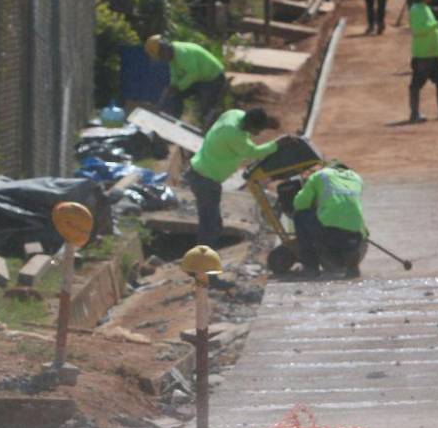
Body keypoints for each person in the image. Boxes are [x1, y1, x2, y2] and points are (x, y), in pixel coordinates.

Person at [187, 107, 278, 261]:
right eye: (256, 130)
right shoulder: (235, 135)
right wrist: (277, 144)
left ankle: (204, 262)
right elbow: (253, 152)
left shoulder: (234, 114)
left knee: (214, 225)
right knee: (209, 228)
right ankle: (203, 268)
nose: (256, 134)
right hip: (206, 180)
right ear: (249, 125)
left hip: (200, 173)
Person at [290, 161, 368, 278]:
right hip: (356, 231)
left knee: (300, 215)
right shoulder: (357, 178)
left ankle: (311, 267)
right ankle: (352, 267)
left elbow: (299, 204)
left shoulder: (321, 175)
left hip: (329, 228)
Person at [146, 35, 227, 127]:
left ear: (164, 48)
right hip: (200, 78)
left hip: (213, 77)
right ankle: (171, 121)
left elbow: (193, 73)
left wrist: (179, 87)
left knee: (207, 106)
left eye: (161, 56)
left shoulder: (182, 52)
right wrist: (173, 85)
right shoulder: (172, 55)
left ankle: (208, 131)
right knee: (174, 95)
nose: (162, 59)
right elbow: (174, 73)